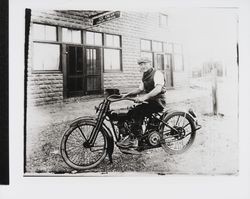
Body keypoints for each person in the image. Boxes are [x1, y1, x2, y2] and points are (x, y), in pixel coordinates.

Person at [116, 57, 166, 151]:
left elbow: (158, 89)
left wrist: (144, 97)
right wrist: (127, 94)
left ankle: (134, 139)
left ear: (150, 63)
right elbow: (140, 89)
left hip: (158, 102)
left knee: (138, 112)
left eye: (144, 63)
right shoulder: (145, 75)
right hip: (149, 102)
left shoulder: (157, 73)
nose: (142, 66)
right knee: (130, 112)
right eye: (140, 64)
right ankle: (133, 135)